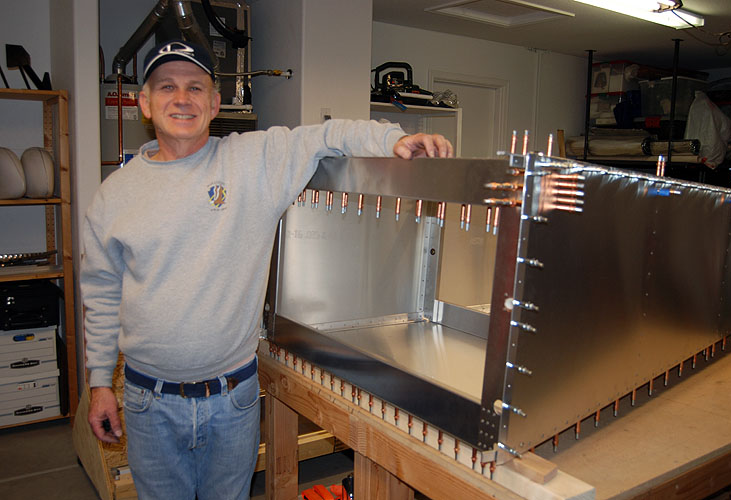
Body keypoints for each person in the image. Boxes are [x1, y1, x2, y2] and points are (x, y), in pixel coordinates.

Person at [81, 38, 453, 500]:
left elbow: (327, 135)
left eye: (195, 87)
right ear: (144, 103)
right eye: (167, 87)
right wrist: (99, 382)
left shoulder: (253, 161)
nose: (182, 99)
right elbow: (101, 293)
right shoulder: (114, 194)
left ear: (215, 103)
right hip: (149, 401)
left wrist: (393, 140)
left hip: (231, 398)